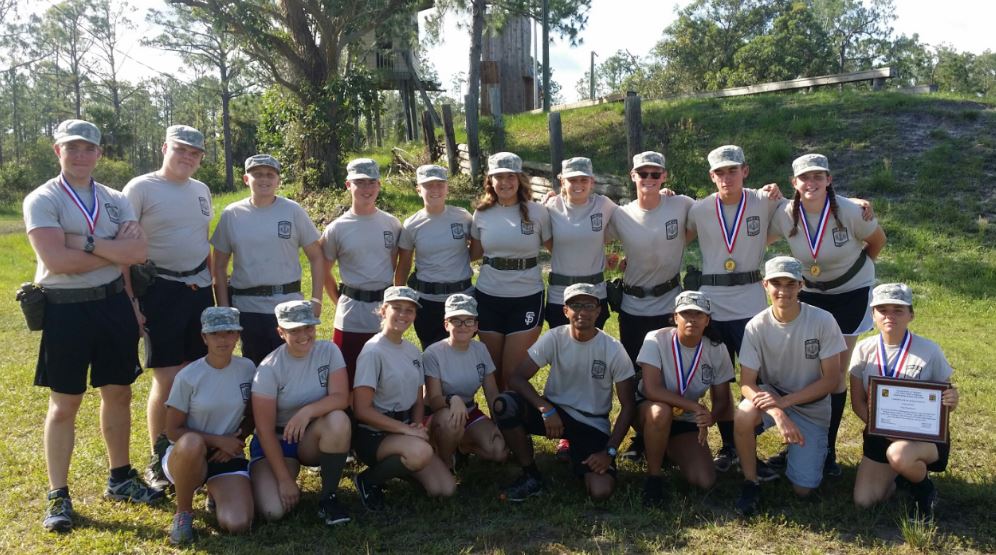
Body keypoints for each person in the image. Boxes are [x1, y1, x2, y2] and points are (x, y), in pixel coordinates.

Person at [24, 119, 161, 532]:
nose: (81, 155)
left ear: (100, 153)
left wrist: (83, 242)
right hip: (65, 309)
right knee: (65, 403)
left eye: (89, 148)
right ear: (58, 151)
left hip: (113, 304)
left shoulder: (115, 199)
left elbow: (138, 252)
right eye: (72, 147)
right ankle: (58, 495)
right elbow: (56, 260)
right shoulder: (43, 199)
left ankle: (120, 477)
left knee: (118, 393)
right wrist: (115, 250)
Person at [768, 153, 887, 477]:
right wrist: (766, 195)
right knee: (807, 372)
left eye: (818, 176)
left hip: (850, 295)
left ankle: (828, 450)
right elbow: (761, 235)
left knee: (833, 376)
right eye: (804, 178)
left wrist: (852, 273)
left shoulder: (850, 210)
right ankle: (799, 444)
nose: (811, 183)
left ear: (829, 180)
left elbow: (877, 241)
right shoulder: (785, 214)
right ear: (794, 183)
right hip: (810, 294)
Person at [123, 125, 215, 489]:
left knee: (195, 371)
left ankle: (189, 451)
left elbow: (201, 240)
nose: (187, 157)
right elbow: (124, 249)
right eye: (181, 150)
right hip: (159, 287)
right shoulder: (141, 188)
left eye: (195, 153)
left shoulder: (201, 189)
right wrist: (132, 300)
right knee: (167, 376)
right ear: (164, 148)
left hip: (198, 288)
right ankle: (159, 458)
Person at [686, 145, 784, 474]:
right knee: (720, 379)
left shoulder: (765, 199)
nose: (726, 177)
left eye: (733, 170)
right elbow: (668, 219)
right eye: (720, 172)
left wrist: (858, 203)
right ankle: (729, 445)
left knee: (756, 376)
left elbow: (807, 206)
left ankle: (749, 443)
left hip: (751, 303)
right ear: (711, 176)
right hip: (712, 304)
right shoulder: (698, 208)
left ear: (745, 170)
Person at [494, 283, 635, 501]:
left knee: (600, 491)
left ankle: (577, 452)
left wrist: (609, 451)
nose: (582, 311)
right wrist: (545, 407)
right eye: (575, 305)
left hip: (591, 423)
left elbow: (628, 406)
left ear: (599, 311)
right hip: (554, 413)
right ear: (565, 311)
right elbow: (516, 378)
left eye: (589, 305)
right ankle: (531, 475)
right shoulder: (554, 337)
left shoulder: (613, 349)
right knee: (504, 404)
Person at [732, 257, 845, 517]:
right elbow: (747, 383)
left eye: (790, 284)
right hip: (772, 394)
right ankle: (751, 482)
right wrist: (777, 411)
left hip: (811, 403)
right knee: (743, 414)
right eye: (776, 283)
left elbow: (831, 380)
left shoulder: (823, 320)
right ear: (765, 285)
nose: (783, 290)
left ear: (801, 285)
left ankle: (803, 453)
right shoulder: (756, 326)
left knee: (803, 489)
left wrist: (785, 404)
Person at [849, 283, 957, 522]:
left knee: (899, 454)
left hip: (924, 437)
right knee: (864, 501)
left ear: (911, 315)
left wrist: (952, 398)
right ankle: (901, 477)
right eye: (882, 310)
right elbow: (857, 403)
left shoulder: (929, 350)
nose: (890, 316)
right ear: (873, 315)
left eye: (898, 310)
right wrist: (881, 428)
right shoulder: (864, 350)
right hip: (879, 435)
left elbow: (947, 396)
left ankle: (924, 491)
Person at [211, 154, 325, 366]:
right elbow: (218, 266)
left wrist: (316, 300)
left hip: (289, 306)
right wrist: (225, 309)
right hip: (248, 309)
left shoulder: (293, 211)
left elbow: (317, 256)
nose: (264, 179)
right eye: (258, 174)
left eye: (270, 175)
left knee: (294, 367)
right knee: (257, 368)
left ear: (278, 180)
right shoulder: (232, 214)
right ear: (246, 179)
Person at [352, 286, 456, 511]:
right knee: (421, 453)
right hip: (374, 434)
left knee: (445, 489)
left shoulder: (412, 351)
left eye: (409, 310)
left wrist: (416, 425)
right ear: (383, 311)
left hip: (405, 429)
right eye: (396, 308)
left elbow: (418, 400)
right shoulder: (373, 352)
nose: (403, 315)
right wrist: (407, 431)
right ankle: (368, 480)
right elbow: (361, 410)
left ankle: (402, 467)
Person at [249, 300, 352, 526]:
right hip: (277, 442)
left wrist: (307, 412)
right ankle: (252, 479)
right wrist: (284, 480)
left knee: (338, 419)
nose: (304, 335)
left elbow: (341, 398)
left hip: (309, 438)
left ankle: (328, 498)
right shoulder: (268, 369)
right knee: (273, 511)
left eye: (308, 327)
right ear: (281, 332)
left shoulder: (329, 351)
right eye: (294, 330)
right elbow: (264, 431)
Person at [162, 307, 255, 544]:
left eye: (229, 332)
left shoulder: (247, 368)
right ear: (204, 337)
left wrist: (237, 441)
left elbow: (252, 414)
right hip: (188, 455)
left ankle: (214, 491)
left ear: (238, 335)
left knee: (238, 523)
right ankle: (183, 513)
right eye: (215, 334)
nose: (222, 339)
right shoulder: (188, 376)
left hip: (226, 454)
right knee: (192, 443)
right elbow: (172, 430)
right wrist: (218, 441)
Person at [635, 291, 733, 507]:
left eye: (699, 314)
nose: (692, 319)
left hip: (685, 418)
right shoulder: (655, 339)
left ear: (707, 320)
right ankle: (653, 478)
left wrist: (710, 417)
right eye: (686, 313)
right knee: (660, 412)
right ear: (675, 317)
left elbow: (722, 399)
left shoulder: (717, 349)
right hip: (648, 410)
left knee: (704, 480)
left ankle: (665, 447)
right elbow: (652, 389)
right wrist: (694, 406)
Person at [470, 152, 551, 391]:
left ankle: (517, 416)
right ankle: (499, 416)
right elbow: (472, 254)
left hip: (526, 297)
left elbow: (559, 248)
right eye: (499, 177)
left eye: (510, 176)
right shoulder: (481, 213)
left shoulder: (538, 212)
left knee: (512, 374)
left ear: (520, 179)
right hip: (488, 297)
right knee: (494, 372)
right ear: (490, 181)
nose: (505, 182)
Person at [321, 158, 401, 383]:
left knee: (384, 377)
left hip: (384, 313)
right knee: (348, 376)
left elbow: (394, 265)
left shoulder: (392, 224)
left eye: (372, 182)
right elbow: (324, 271)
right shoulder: (337, 228)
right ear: (348, 185)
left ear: (379, 185)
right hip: (351, 314)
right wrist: (339, 300)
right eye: (360, 182)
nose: (367, 188)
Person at [423, 293, 508, 471]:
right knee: (451, 422)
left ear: (476, 325)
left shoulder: (480, 349)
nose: (463, 326)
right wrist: (452, 399)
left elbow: (491, 392)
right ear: (446, 324)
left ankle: (461, 446)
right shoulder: (433, 353)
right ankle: (445, 461)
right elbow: (433, 400)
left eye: (468, 321)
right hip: (441, 413)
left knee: (498, 451)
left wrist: (499, 424)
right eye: (456, 321)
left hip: (469, 411)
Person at [394, 164, 474, 349]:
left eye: (440, 184)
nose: (435, 190)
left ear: (447, 187)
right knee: (431, 354)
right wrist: (398, 298)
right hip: (427, 302)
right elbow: (404, 264)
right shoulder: (411, 225)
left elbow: (477, 250)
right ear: (418, 190)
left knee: (461, 350)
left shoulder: (463, 217)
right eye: (428, 185)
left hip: (462, 297)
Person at [543, 157, 617, 330]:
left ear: (592, 182)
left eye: (584, 179)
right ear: (562, 181)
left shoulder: (603, 205)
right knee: (561, 344)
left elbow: (634, 218)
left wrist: (663, 196)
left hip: (594, 293)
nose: (578, 184)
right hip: (560, 295)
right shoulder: (550, 206)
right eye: (572, 180)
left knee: (593, 344)